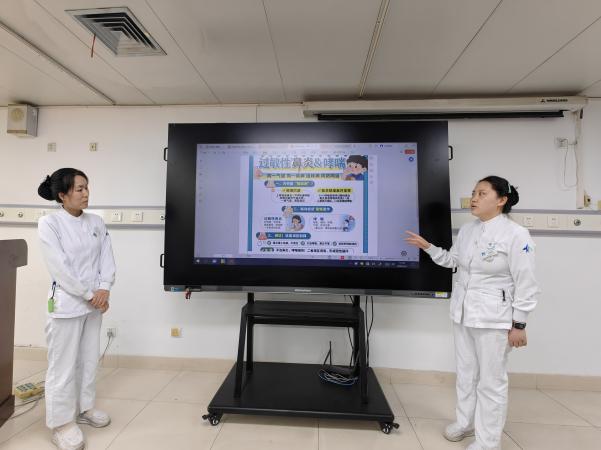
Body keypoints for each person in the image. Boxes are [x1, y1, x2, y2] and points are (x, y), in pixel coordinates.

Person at [405, 175, 539, 450]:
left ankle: (488, 442)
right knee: (466, 375)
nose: (474, 198)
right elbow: (454, 261)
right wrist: (428, 248)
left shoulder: (516, 235)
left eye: (482, 193)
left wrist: (520, 324)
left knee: (491, 382)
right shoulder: (468, 230)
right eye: (474, 193)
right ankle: (465, 423)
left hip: (494, 319)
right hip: (463, 313)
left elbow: (526, 282)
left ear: (501, 200)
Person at [37, 168, 116, 450]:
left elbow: (106, 258)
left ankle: (85, 408)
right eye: (79, 189)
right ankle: (60, 424)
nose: (86, 193)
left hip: (94, 305)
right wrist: (90, 295)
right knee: (63, 366)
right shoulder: (49, 223)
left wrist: (104, 288)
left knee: (88, 359)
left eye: (87, 187)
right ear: (62, 195)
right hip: (68, 305)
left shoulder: (96, 221)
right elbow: (60, 267)